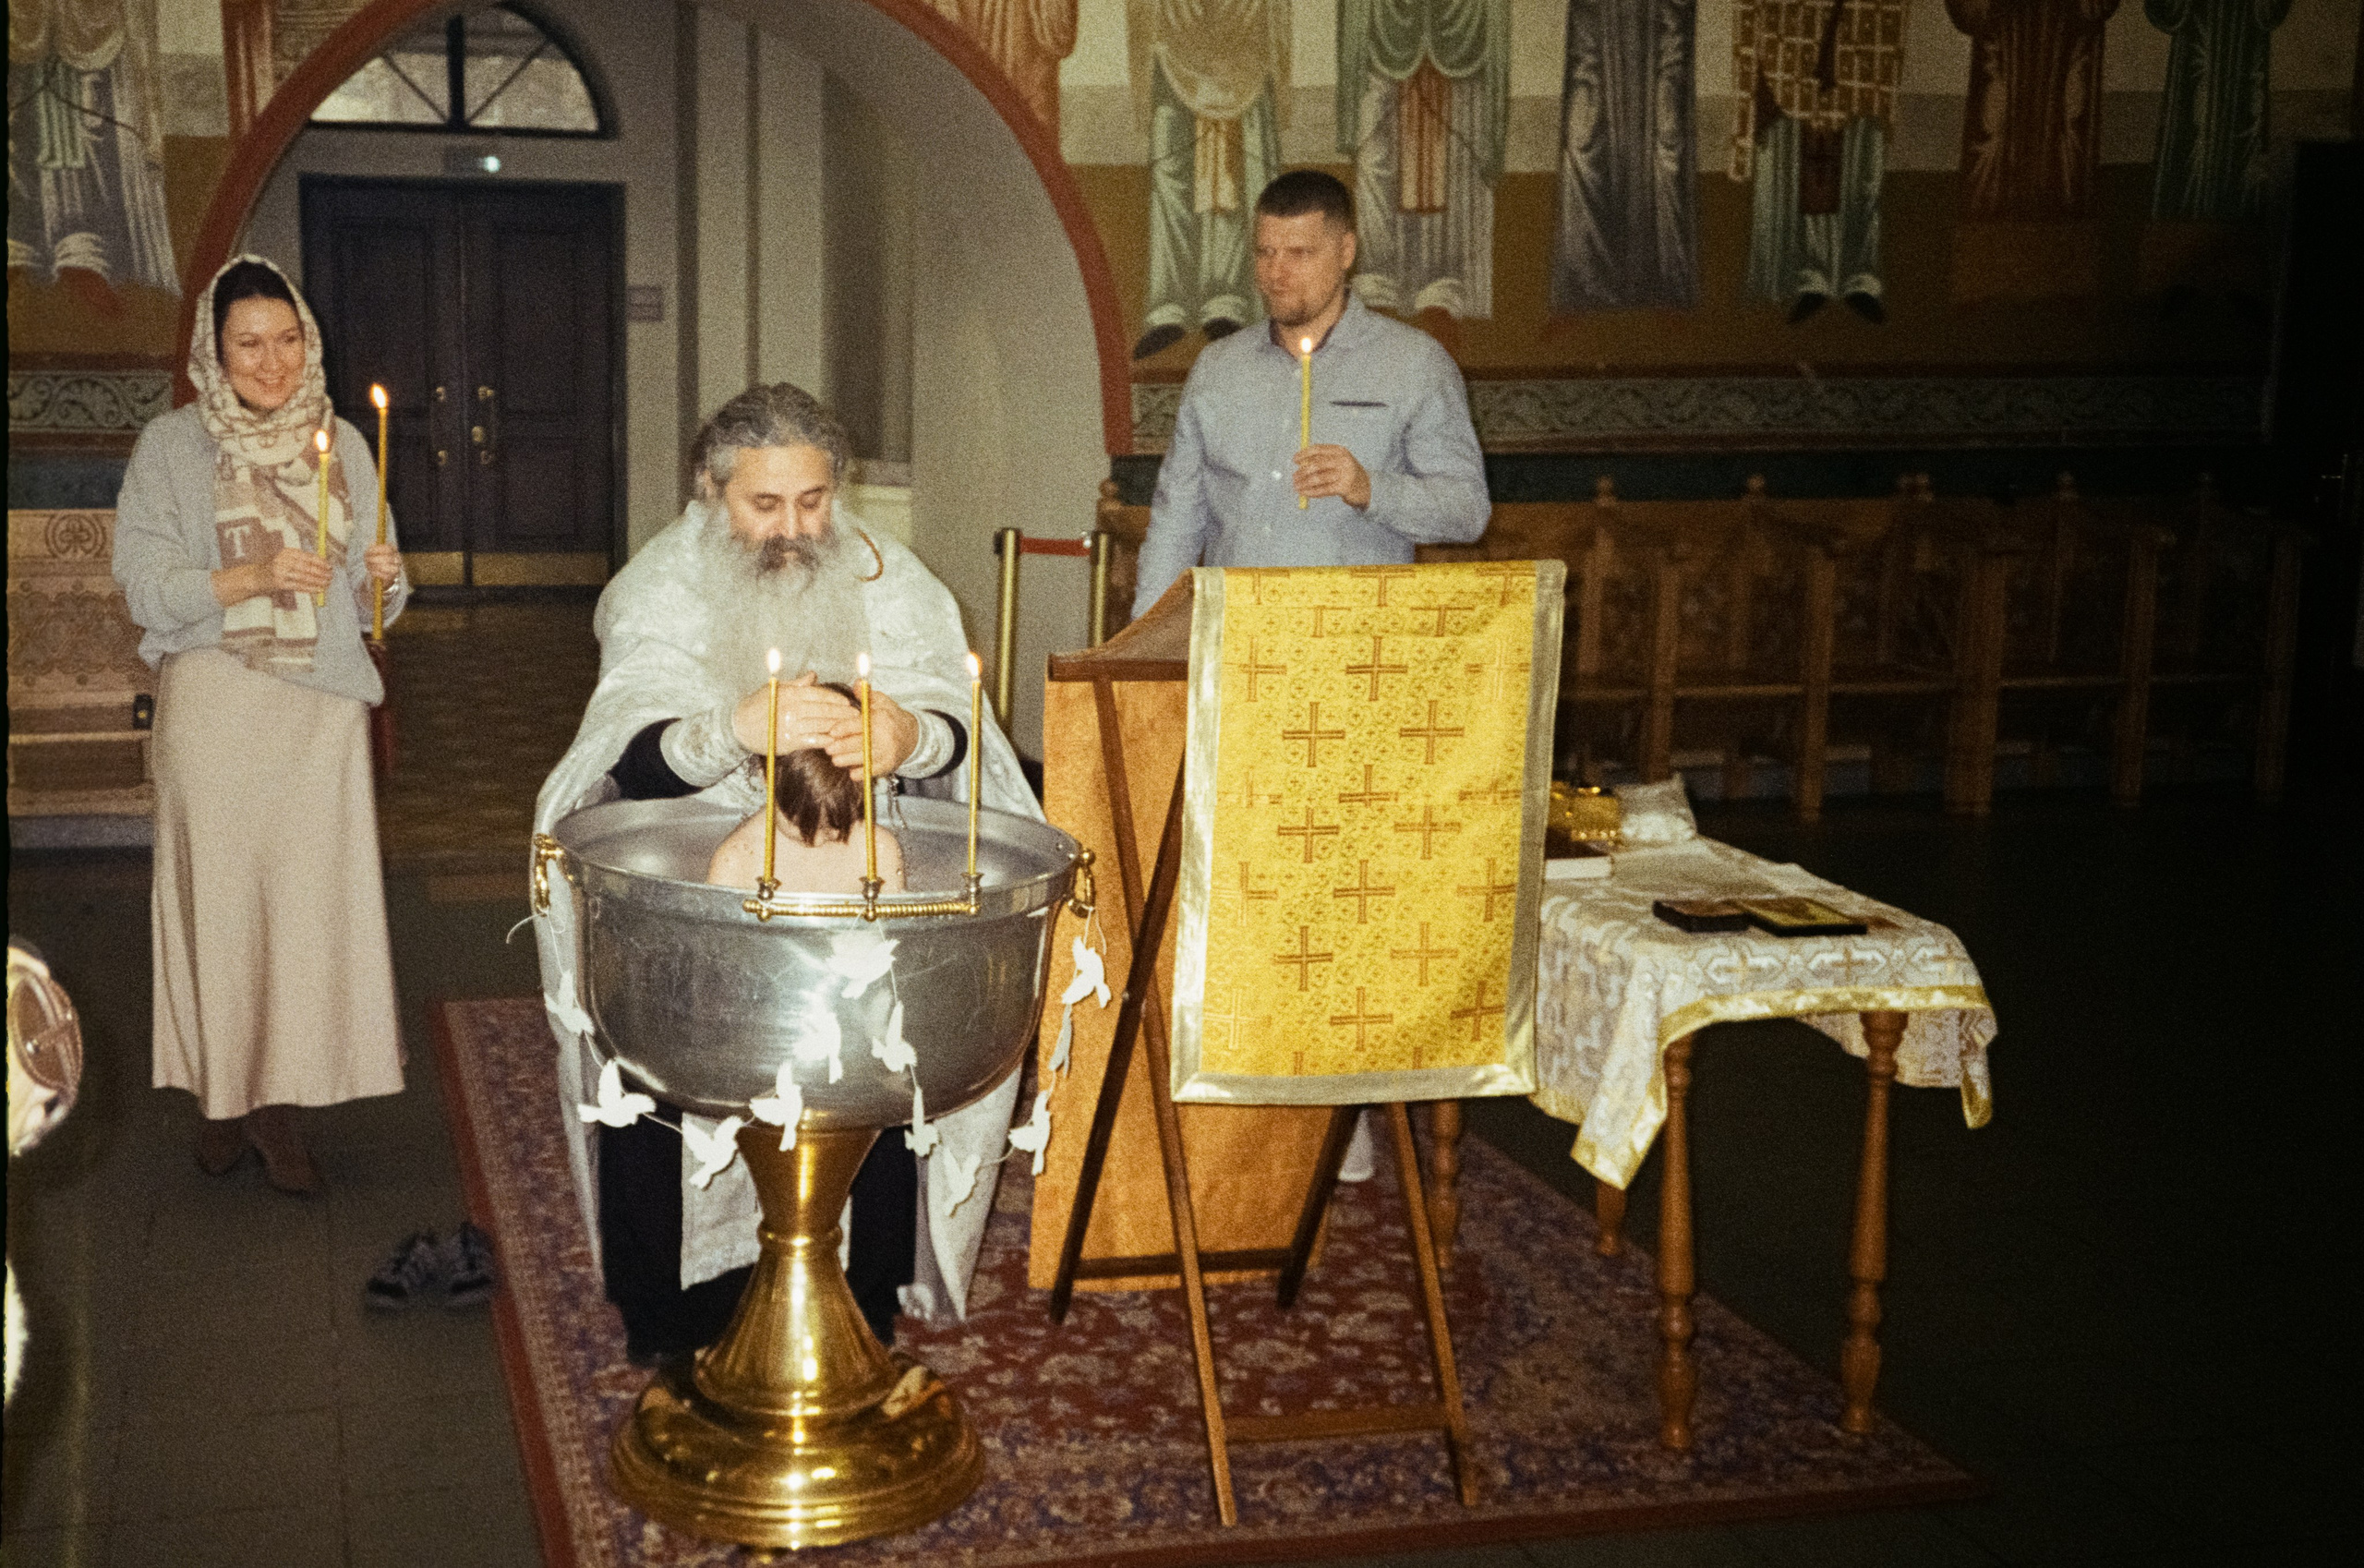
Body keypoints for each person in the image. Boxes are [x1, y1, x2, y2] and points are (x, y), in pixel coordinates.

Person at [533, 383, 1039, 1365]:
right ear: (709, 490)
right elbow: (618, 759)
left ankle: (859, 1301)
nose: (791, 529)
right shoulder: (660, 586)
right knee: (681, 1093)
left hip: (859, 880)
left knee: (869, 1066)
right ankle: (688, 1319)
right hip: (700, 894)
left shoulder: (890, 580)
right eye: (764, 505)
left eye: (811, 501)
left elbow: (955, 723)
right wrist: (726, 731)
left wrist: (907, 732)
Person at [112, 255, 409, 1195]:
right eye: (249, 344)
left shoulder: (347, 442)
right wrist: (250, 576)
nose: (272, 363)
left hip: (316, 710)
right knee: (224, 907)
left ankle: (279, 1107)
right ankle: (220, 1098)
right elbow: (143, 587)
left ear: (307, 341)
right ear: (215, 349)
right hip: (216, 700)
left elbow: (374, 605)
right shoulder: (172, 447)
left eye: (286, 340)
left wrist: (389, 584)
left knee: (302, 913)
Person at [1130, 169, 1491, 615]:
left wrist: (1370, 488)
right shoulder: (1218, 369)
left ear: (1346, 252)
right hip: (1238, 640)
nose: (1275, 274)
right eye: (1265, 253)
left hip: (1351, 645)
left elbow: (1467, 511)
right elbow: (1176, 525)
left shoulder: (1415, 365)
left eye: (1299, 254)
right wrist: (1144, 649)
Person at [705, 690, 906, 894]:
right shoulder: (737, 860)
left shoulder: (876, 851)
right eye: (799, 826)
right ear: (765, 777)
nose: (816, 841)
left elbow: (892, 925)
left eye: (833, 827)